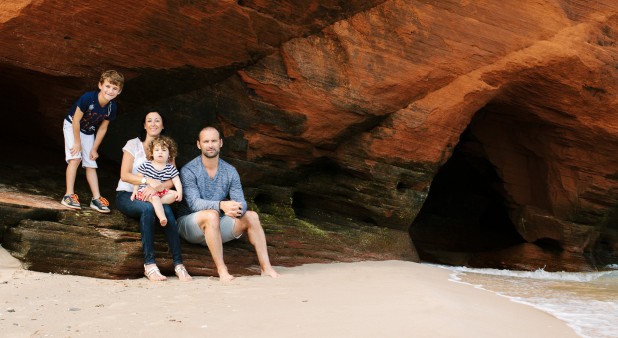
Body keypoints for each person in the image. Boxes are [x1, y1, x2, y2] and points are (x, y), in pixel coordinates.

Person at [177, 126, 280, 281]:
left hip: (217, 226)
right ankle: (222, 270)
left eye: (214, 141)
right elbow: (193, 204)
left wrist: (236, 210)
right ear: (199, 145)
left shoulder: (230, 171)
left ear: (220, 143)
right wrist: (221, 205)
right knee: (212, 215)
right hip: (191, 225)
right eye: (206, 141)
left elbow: (241, 202)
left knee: (251, 216)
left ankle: (266, 268)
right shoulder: (189, 170)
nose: (210, 145)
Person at [115, 111, 192, 282]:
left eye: (158, 121)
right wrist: (146, 181)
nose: (153, 123)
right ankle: (149, 265)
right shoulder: (133, 144)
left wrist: (156, 188)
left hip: (155, 195)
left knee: (168, 212)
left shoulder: (166, 148)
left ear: (163, 125)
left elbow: (172, 179)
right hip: (128, 194)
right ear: (144, 125)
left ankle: (179, 264)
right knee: (148, 209)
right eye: (149, 120)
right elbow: (125, 175)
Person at [61, 70, 124, 213]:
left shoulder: (111, 107)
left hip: (88, 131)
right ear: (100, 85)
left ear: (119, 91)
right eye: (107, 86)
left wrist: (94, 148)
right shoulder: (88, 98)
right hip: (72, 126)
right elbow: (76, 120)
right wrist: (77, 143)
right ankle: (68, 195)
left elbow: (102, 128)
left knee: (91, 163)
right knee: (75, 158)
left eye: (115, 88)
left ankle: (96, 198)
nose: (110, 91)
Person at [132, 136, 183, 227]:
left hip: (159, 192)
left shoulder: (170, 168)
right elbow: (138, 178)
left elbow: (176, 181)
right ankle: (162, 217)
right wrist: (135, 191)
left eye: (164, 150)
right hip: (145, 192)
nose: (160, 152)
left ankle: (157, 204)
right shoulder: (146, 165)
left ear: (169, 154)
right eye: (157, 150)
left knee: (174, 195)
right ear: (152, 153)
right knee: (155, 198)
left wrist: (179, 192)